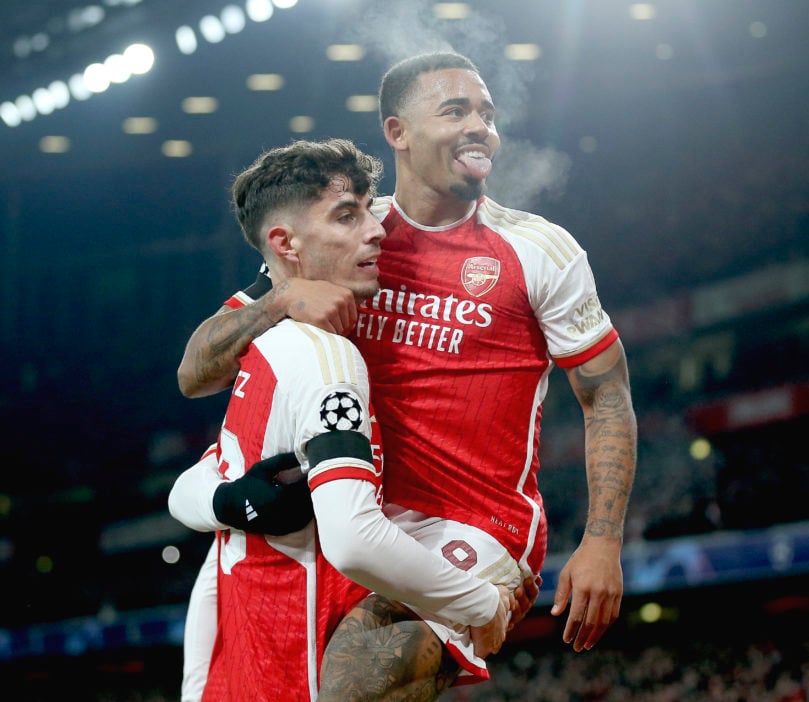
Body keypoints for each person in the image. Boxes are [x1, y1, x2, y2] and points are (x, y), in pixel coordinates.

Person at [178, 50, 637, 694]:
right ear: (397, 132)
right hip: (354, 513)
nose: (480, 125)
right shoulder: (351, 238)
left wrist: (602, 541)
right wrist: (279, 300)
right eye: (456, 110)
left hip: (474, 527)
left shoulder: (540, 251)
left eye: (487, 112)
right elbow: (197, 370)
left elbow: (606, 396)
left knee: (358, 682)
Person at [168, 137, 514, 701]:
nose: (376, 229)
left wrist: (227, 503)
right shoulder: (301, 343)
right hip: (322, 607)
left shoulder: (285, 338)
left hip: (446, 527)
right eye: (349, 216)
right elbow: (193, 375)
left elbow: (200, 483)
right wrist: (279, 300)